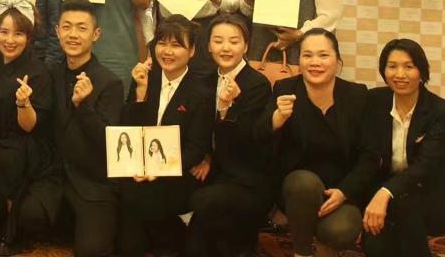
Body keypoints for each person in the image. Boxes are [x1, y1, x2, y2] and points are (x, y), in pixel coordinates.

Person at [15, 0, 123, 257]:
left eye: (82, 28)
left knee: (92, 251)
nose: (73, 34)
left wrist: (83, 107)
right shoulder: (49, 74)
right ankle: (69, 225)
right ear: (57, 31)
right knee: (27, 217)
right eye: (67, 27)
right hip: (54, 176)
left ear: (96, 34)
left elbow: (108, 143)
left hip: (91, 181)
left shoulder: (110, 83)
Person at [259, 29, 375, 257]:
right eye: (307, 55)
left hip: (341, 190)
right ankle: (301, 252)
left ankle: (322, 243)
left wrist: (344, 191)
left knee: (339, 230)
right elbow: (259, 137)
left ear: (338, 61)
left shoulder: (357, 95)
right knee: (304, 183)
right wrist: (277, 119)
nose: (315, 62)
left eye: (323, 55)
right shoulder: (285, 89)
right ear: (299, 61)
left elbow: (370, 155)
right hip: (296, 190)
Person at [360, 39, 445, 257]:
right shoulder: (374, 101)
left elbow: (425, 166)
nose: (400, 74)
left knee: (405, 207)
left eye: (409, 67)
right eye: (392, 66)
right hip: (384, 189)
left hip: (427, 192)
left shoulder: (441, 111)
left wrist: (385, 192)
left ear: (421, 71)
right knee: (376, 246)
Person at [118, 16, 213, 257]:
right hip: (140, 172)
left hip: (176, 174)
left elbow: (196, 148)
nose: (167, 52)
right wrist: (140, 94)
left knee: (161, 237)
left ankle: (172, 231)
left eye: (177, 45)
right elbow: (128, 130)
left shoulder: (201, 91)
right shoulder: (145, 78)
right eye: (162, 43)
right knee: (129, 247)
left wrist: (158, 168)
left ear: (192, 51)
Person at [186, 15, 274, 257]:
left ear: (245, 46)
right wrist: (206, 154)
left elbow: (248, 141)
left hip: (245, 176)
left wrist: (226, 109)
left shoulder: (257, 85)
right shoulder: (205, 79)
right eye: (218, 41)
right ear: (208, 46)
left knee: (204, 203)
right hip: (213, 171)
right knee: (193, 249)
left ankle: (244, 243)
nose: (225, 48)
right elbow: (198, 127)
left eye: (234, 41)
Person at [0, 4, 54, 253]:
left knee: (4, 157)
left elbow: (29, 127)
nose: (10, 40)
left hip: (21, 148)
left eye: (18, 34)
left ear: (29, 37)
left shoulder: (38, 72)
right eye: (4, 32)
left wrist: (23, 103)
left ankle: (11, 228)